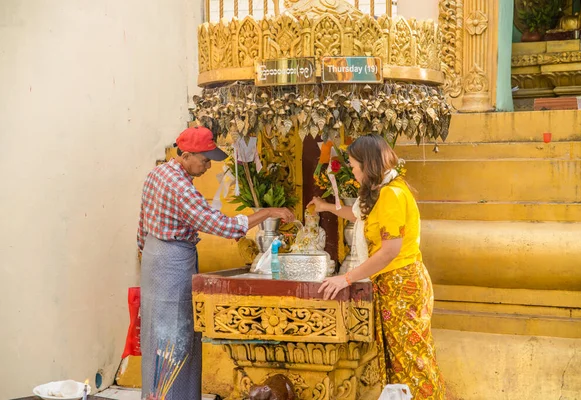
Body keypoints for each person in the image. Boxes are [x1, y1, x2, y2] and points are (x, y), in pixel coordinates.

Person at [137, 126, 294, 400]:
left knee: (157, 338)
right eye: (205, 159)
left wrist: (151, 253)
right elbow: (220, 225)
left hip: (153, 258)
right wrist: (267, 212)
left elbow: (141, 229)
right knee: (176, 337)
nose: (208, 166)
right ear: (185, 155)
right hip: (172, 263)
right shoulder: (180, 187)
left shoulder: (157, 174)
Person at [308, 134, 445, 399]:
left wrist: (345, 279)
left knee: (412, 361)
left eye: (355, 167)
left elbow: (390, 251)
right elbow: (359, 215)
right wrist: (325, 206)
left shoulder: (392, 194)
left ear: (367, 165)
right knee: (398, 363)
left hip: (401, 283)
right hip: (393, 283)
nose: (355, 173)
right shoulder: (383, 191)